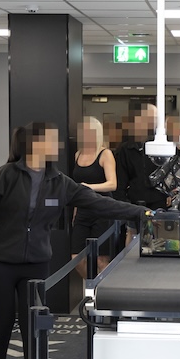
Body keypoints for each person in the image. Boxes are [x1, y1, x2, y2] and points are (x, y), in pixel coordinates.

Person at [0, 122, 150, 359]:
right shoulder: (7, 175)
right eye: (50, 140)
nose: (56, 145)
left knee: (33, 323)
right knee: (1, 320)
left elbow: (100, 203)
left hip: (36, 263)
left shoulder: (60, 182)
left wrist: (141, 212)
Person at [70, 116, 117, 278]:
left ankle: (102, 290)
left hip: (102, 210)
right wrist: (75, 212)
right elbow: (76, 188)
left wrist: (89, 187)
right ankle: (92, 284)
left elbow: (112, 184)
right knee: (76, 259)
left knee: (101, 260)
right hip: (83, 211)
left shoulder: (105, 154)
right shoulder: (78, 155)